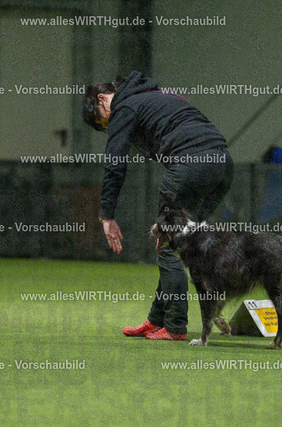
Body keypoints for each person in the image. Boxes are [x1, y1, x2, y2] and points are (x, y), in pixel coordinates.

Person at [81, 71, 233, 341]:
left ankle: (175, 326)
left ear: (102, 99)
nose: (107, 127)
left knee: (168, 245)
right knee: (178, 244)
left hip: (191, 165)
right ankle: (157, 319)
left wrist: (107, 215)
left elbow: (115, 164)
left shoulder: (124, 107)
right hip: (223, 166)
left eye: (102, 121)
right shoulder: (156, 96)